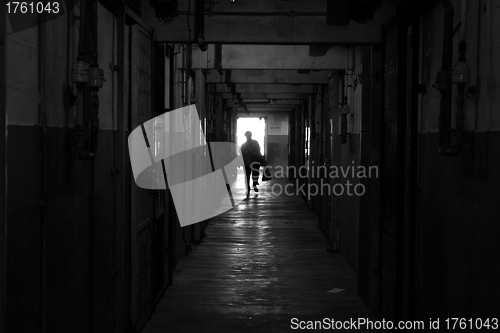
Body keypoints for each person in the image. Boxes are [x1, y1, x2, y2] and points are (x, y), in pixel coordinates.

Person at [240, 131, 263, 196]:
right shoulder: (255, 143)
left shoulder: (243, 145)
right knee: (255, 174)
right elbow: (258, 151)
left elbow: (241, 155)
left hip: (247, 162)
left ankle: (248, 186)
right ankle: (254, 184)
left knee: (247, 175)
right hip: (255, 162)